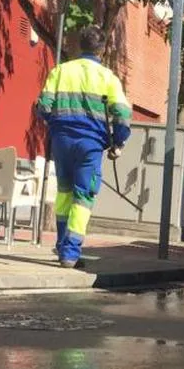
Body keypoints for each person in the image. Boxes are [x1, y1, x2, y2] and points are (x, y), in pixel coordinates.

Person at [36, 25, 132, 269]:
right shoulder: (108, 78)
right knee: (83, 196)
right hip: (90, 145)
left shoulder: (60, 71)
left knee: (64, 193)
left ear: (80, 45)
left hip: (61, 140)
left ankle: (61, 244)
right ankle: (70, 253)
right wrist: (117, 141)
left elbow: (44, 106)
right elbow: (121, 113)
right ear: (102, 49)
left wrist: (56, 126)